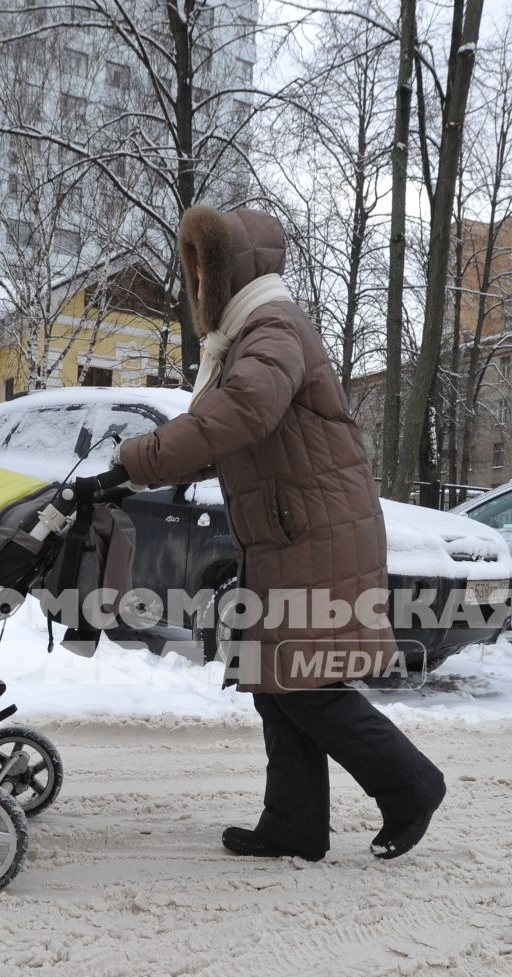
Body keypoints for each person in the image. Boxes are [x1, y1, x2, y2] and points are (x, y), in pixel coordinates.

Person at [94, 204, 446, 862]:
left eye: (205, 274)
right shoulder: (248, 337)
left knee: (307, 686)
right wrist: (138, 471)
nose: (198, 290)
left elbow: (243, 412)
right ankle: (293, 822)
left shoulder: (273, 330)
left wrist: (139, 457)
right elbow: (224, 436)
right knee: (273, 678)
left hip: (314, 534)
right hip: (290, 534)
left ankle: (411, 784)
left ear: (232, 273)